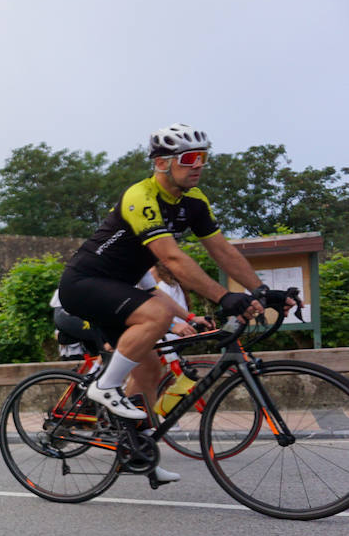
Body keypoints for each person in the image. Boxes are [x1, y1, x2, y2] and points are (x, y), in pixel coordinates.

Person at [58, 122, 291, 483]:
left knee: (150, 371)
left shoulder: (194, 202)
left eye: (203, 157)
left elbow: (222, 251)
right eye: (189, 158)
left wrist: (261, 289)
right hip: (85, 283)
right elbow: (173, 259)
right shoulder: (141, 196)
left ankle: (136, 451)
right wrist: (225, 296)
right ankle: (103, 387)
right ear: (163, 163)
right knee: (162, 310)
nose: (198, 165)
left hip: (121, 290)